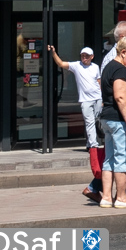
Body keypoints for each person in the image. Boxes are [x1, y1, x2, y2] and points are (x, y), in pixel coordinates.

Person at [94, 22, 126, 203]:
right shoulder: (119, 68)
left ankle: (107, 197)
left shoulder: (110, 64)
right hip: (118, 118)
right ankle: (122, 197)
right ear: (123, 51)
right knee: (122, 158)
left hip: (109, 118)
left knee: (110, 159)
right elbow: (120, 97)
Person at [48, 45, 103, 202]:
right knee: (89, 123)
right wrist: (53, 53)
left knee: (98, 121)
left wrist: (102, 98)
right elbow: (61, 64)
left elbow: (99, 82)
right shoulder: (76, 66)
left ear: (92, 57)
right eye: (82, 55)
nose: (84, 58)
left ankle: (95, 142)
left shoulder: (95, 67)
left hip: (97, 98)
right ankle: (93, 145)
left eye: (87, 56)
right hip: (85, 100)